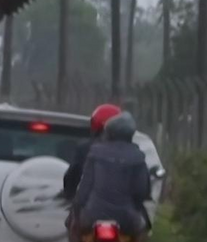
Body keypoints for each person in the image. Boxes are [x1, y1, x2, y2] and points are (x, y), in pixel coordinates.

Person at [74, 112, 151, 239]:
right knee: (143, 231)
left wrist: (77, 207)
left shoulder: (95, 152)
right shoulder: (138, 157)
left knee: (76, 229)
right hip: (127, 218)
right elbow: (141, 190)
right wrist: (136, 205)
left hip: (93, 213)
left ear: (109, 132)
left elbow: (85, 186)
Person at [63, 104, 122, 242]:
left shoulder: (85, 148)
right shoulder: (133, 151)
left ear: (95, 124)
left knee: (71, 225)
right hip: (123, 213)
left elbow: (73, 175)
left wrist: (68, 193)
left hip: (90, 210)